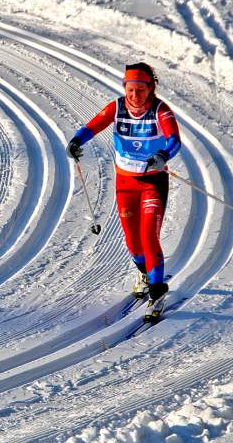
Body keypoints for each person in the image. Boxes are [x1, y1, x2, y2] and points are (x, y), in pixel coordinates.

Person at [66, 62, 181, 319]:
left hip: (152, 183)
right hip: (125, 184)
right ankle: (144, 273)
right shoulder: (117, 107)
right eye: (130, 89)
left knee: (149, 236)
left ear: (150, 89)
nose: (134, 95)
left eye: (140, 89)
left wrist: (163, 155)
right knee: (133, 243)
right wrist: (75, 141)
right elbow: (93, 126)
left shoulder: (161, 111)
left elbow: (175, 140)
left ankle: (157, 291)